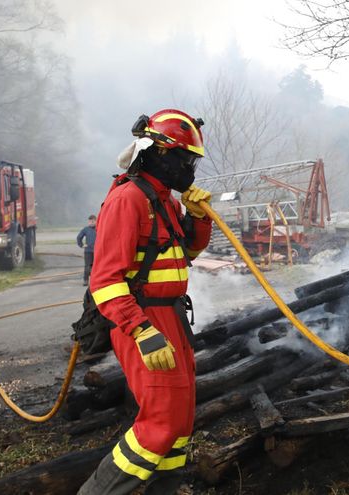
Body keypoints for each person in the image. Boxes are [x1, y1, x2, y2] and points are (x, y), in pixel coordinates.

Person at [78, 109, 213, 495]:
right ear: (158, 153)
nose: (190, 168)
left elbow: (184, 255)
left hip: (173, 319)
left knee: (181, 422)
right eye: (185, 158)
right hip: (146, 321)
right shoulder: (128, 199)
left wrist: (199, 217)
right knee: (162, 421)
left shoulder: (165, 202)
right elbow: (105, 280)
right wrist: (141, 330)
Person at [77, 215, 97, 285]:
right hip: (88, 251)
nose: (91, 223)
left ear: (96, 221)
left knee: (96, 267)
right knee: (87, 267)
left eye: (93, 221)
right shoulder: (86, 229)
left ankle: (96, 281)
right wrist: (81, 245)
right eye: (90, 221)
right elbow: (79, 237)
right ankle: (85, 280)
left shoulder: (99, 228)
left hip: (97, 251)